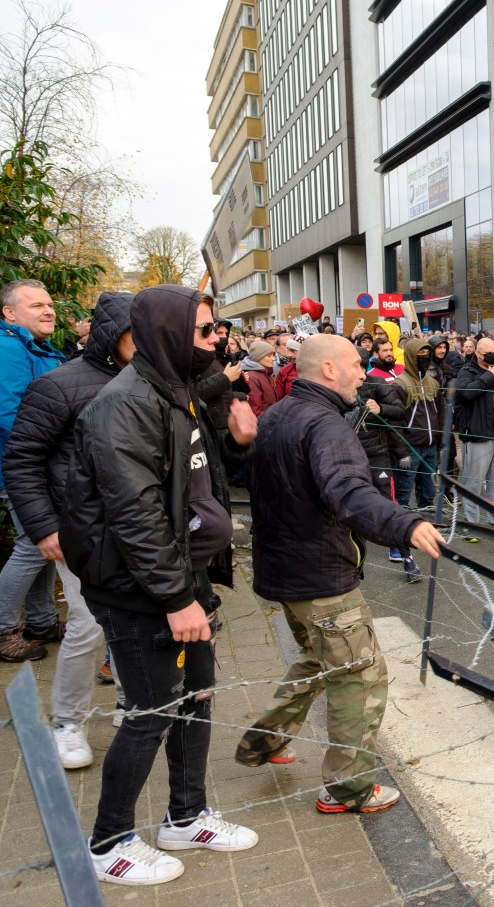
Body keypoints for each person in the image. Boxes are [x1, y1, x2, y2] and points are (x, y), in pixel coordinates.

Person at [61, 285, 260, 885]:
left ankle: (187, 813)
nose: (217, 338)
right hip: (142, 590)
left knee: (196, 698)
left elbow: (193, 482)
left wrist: (237, 443)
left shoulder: (175, 393)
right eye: (205, 331)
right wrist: (176, 599)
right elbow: (136, 515)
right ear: (172, 335)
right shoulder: (124, 404)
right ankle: (109, 843)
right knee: (151, 711)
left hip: (183, 579)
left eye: (216, 328)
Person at [234, 334, 444, 815]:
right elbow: (348, 491)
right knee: (361, 677)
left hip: (285, 573)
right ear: (328, 369)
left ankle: (261, 744)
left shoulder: (280, 414)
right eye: (353, 364)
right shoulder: (326, 426)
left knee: (316, 660)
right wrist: (404, 522)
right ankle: (348, 788)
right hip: (321, 577)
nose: (361, 372)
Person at [3, 292, 133, 768]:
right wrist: (43, 528)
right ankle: (67, 722)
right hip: (78, 529)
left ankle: (131, 702)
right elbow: (21, 458)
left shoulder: (154, 381)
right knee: (87, 621)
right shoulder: (58, 384)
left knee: (131, 618)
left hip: (135, 528)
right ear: (114, 335)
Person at [0, 279, 69, 661]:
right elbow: (10, 414)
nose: (48, 310)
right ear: (9, 313)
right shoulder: (7, 349)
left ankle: (41, 621)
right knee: (34, 544)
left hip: (39, 466)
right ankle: (2, 627)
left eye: (49, 304)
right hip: (22, 469)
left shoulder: (34, 346)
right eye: (36, 306)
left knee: (45, 546)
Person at [453, 337, 494, 528]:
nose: (492, 355)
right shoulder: (467, 371)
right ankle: (472, 521)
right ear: (477, 353)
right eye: (488, 352)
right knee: (474, 480)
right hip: (478, 435)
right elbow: (465, 392)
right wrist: (488, 377)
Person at [392, 338, 442, 511]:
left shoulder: (433, 383)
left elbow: (440, 415)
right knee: (403, 492)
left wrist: (440, 442)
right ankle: (400, 528)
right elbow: (394, 422)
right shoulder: (400, 384)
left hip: (431, 446)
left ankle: (427, 526)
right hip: (410, 447)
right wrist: (401, 452)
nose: (425, 357)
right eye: (420, 353)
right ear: (411, 356)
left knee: (428, 493)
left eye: (427, 353)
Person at [243, 341, 280, 417]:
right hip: (264, 423)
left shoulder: (267, 373)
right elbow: (255, 408)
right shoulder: (252, 377)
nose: (273, 359)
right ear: (258, 357)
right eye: (269, 356)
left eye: (273, 355)